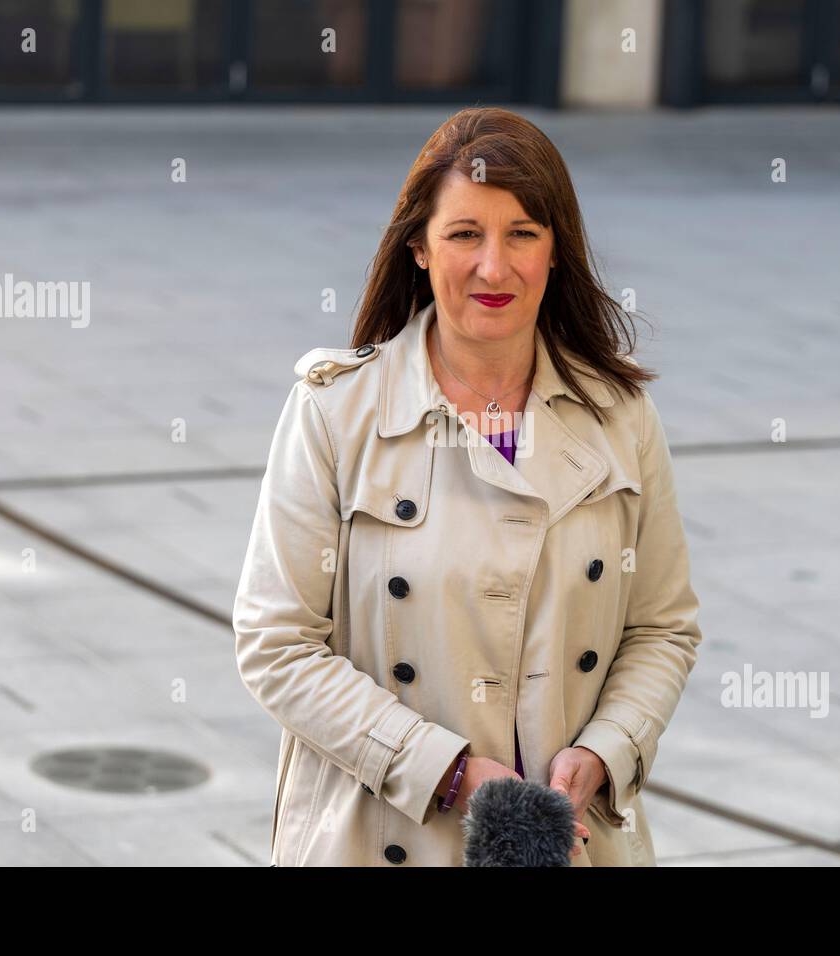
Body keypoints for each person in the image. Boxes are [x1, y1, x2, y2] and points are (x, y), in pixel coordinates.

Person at [233, 106, 702, 866]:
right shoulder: (335, 411)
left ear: (557, 251)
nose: (495, 267)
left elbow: (662, 628)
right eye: (464, 234)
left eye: (523, 233)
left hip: (567, 842)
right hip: (379, 834)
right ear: (418, 246)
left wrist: (607, 751)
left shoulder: (620, 416)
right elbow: (276, 644)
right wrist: (443, 771)